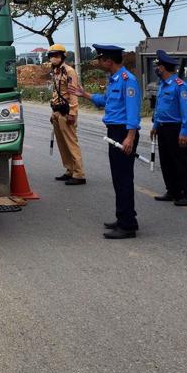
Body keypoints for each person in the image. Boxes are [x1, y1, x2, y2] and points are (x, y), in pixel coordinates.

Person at [70, 44, 142, 239]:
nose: (98, 63)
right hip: (114, 132)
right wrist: (85, 95)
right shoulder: (114, 80)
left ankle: (127, 226)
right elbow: (106, 101)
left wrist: (130, 137)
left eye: (100, 59)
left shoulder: (128, 81)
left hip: (123, 134)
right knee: (118, 179)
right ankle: (125, 217)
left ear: (109, 61)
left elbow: (134, 112)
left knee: (124, 179)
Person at [150, 49, 187, 206]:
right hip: (163, 128)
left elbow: (186, 112)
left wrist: (184, 132)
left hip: (175, 129)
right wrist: (155, 125)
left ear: (163, 68)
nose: (156, 68)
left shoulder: (180, 86)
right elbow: (159, 107)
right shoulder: (163, 85)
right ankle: (173, 191)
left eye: (157, 66)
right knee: (166, 161)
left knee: (181, 162)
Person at [47, 44, 85, 185]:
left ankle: (79, 174)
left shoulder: (70, 72)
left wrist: (73, 113)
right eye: (51, 56)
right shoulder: (56, 72)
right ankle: (70, 170)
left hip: (67, 112)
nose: (53, 58)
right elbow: (56, 93)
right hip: (57, 111)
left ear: (63, 56)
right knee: (62, 144)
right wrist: (53, 112)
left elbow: (73, 93)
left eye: (56, 55)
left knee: (71, 143)